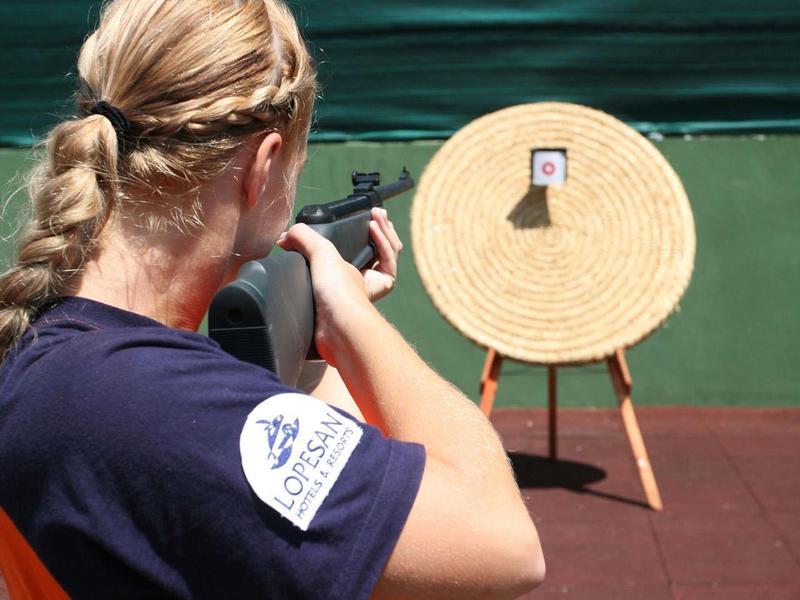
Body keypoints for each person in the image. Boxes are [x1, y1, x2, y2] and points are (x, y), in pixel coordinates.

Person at [0, 1, 545, 598]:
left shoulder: (57, 352)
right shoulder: (165, 404)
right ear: (261, 167)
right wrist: (358, 324)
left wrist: (315, 335)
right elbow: (503, 545)